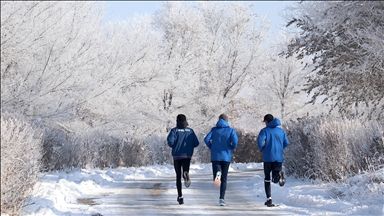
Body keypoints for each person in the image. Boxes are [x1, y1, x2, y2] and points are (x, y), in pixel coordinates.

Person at [204, 113, 238, 206]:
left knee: (217, 176)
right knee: (224, 179)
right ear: (227, 121)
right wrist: (233, 147)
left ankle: (217, 173)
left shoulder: (214, 130)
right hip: (226, 156)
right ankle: (222, 198)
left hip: (215, 156)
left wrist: (211, 146)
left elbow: (206, 139)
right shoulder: (231, 130)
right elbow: (235, 141)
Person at [257, 114, 289, 206]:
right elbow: (286, 143)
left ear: (266, 121)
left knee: (267, 178)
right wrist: (279, 147)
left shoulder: (264, 131)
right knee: (275, 178)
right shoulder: (281, 131)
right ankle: (278, 176)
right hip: (278, 157)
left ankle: (269, 199)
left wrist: (262, 148)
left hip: (268, 157)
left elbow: (259, 143)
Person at [167, 114, 199, 205]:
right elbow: (196, 143)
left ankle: (180, 196)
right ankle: (186, 173)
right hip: (187, 155)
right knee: (185, 169)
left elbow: (170, 142)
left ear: (177, 121)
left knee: (178, 176)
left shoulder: (174, 130)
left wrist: (175, 145)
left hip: (177, 156)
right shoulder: (190, 131)